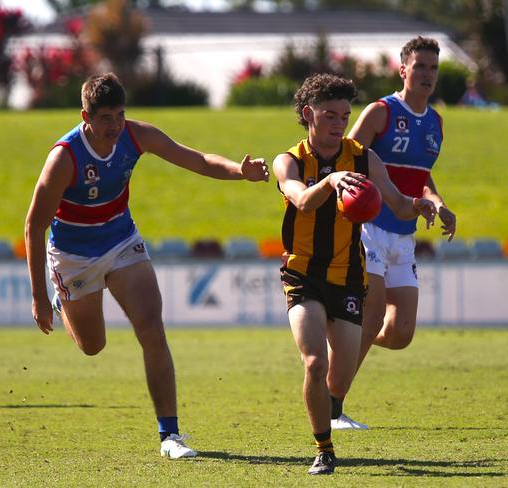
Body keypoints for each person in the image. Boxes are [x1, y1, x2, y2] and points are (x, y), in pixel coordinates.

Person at [24, 73, 269, 459]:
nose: (115, 126)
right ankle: (62, 300)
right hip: (73, 256)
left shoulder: (137, 136)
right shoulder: (64, 157)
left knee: (152, 328)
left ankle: (169, 436)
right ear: (85, 116)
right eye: (105, 118)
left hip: (122, 241)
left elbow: (199, 161)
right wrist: (39, 296)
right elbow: (33, 226)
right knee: (92, 346)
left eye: (120, 115)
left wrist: (241, 172)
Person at [272, 73, 436, 475]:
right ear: (308, 114)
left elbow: (396, 204)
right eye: (330, 115)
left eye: (345, 115)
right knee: (314, 363)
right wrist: (330, 180)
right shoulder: (289, 160)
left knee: (338, 379)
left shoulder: (363, 157)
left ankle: (331, 409)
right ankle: (324, 449)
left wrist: (423, 204)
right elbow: (302, 201)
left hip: (347, 278)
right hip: (303, 275)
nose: (339, 123)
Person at [333, 36, 457, 430]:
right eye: (419, 66)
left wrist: (436, 201)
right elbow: (345, 158)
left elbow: (423, 177)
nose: (426, 75)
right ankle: (333, 408)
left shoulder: (435, 123)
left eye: (433, 68)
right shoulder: (380, 112)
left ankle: (341, 342)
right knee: (370, 319)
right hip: (367, 229)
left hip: (404, 237)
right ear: (402, 70)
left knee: (400, 333)